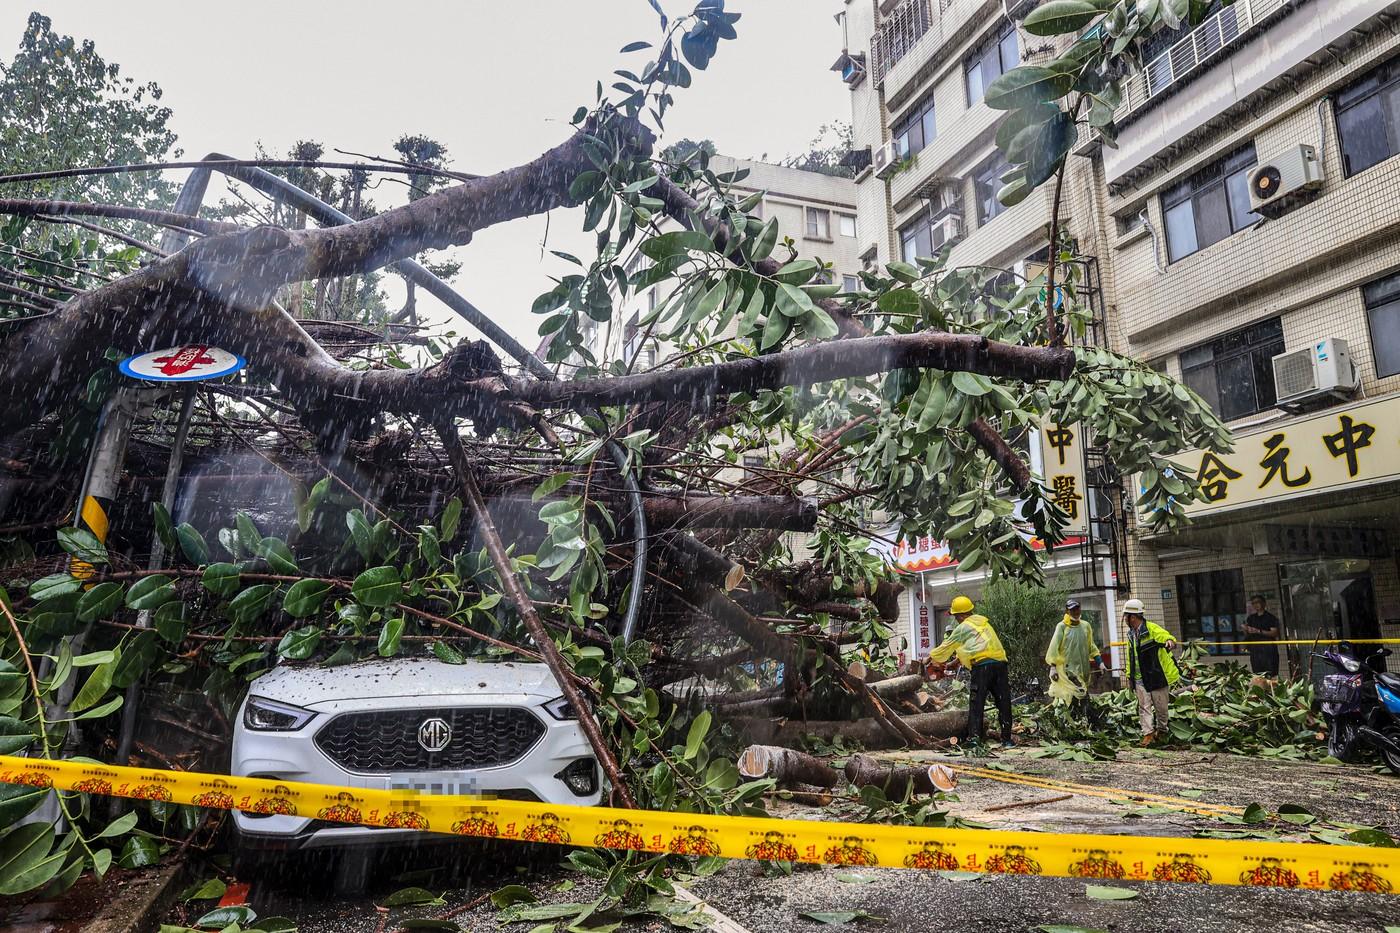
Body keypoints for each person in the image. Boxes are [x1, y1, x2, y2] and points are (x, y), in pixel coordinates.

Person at [928, 595, 1013, 748]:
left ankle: (975, 739)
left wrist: (929, 658)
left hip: (982, 667)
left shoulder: (963, 627)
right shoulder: (984, 624)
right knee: (1003, 702)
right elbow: (976, 647)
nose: (956, 620)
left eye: (955, 616)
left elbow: (945, 648)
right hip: (1000, 664)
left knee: (976, 704)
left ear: (960, 615)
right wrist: (954, 663)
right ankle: (1007, 740)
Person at [1122, 598, 1178, 746]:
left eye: (1126, 616)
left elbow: (1166, 636)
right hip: (1140, 677)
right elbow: (1131, 657)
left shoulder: (1152, 629)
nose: (1124, 619)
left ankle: (1162, 731)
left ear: (1132, 617)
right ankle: (1148, 734)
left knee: (1161, 708)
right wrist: (1130, 675)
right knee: (1144, 706)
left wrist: (1170, 642)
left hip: (1156, 675)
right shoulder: (1131, 635)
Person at [1045, 598, 1102, 726]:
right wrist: (1053, 667)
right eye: (1072, 610)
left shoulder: (1085, 626)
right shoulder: (1062, 627)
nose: (1075, 612)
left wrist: (1100, 661)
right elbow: (1054, 648)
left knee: (1080, 696)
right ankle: (1081, 723)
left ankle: (1077, 724)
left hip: (1083, 670)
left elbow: (1091, 646)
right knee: (1073, 697)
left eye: (1077, 609)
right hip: (1067, 671)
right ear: (1067, 611)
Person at [1243, 593, 1281, 677]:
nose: (1255, 605)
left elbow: (1275, 633)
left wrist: (1258, 631)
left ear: (1264, 603)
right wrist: (1246, 630)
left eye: (1258, 602)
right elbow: (1248, 634)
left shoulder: (1270, 617)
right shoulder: (1251, 618)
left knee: (1270, 673)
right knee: (1257, 673)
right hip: (1255, 649)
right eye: (1253, 603)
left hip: (1268, 649)